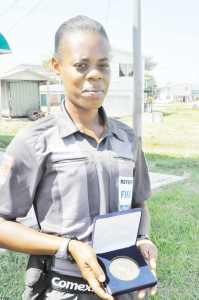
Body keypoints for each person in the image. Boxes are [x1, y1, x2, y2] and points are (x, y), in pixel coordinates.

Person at [0, 15, 157, 300]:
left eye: (103, 65)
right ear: (57, 67)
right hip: (63, 287)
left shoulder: (127, 139)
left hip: (123, 283)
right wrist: (68, 246)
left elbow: (139, 204)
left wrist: (142, 238)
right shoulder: (34, 140)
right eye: (81, 65)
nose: (95, 75)